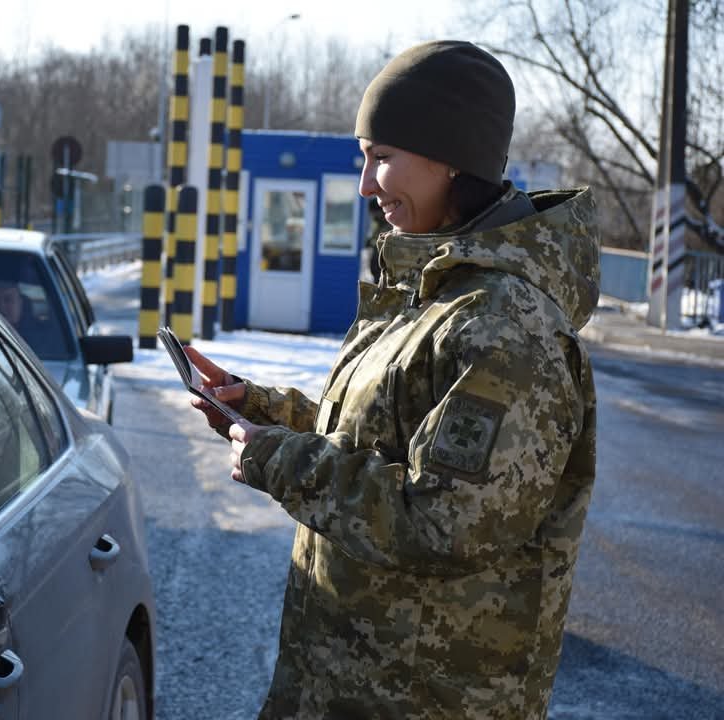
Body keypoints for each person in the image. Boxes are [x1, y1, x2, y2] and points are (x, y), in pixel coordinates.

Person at [186, 40, 600, 719]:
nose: (365, 185)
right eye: (363, 158)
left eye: (382, 158)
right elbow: (384, 439)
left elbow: (443, 521)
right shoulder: (435, 291)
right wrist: (262, 412)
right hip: (345, 688)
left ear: (453, 160)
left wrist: (275, 457)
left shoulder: (504, 326)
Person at [364, 196, 387, 283]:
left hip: (382, 270)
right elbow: (371, 241)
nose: (373, 216)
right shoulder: (377, 224)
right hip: (374, 271)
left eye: (375, 213)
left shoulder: (389, 227)